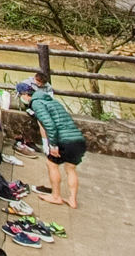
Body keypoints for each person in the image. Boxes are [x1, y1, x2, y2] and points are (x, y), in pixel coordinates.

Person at [17, 80, 85, 209]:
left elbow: (49, 125)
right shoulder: (52, 101)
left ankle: (56, 196)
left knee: (51, 164)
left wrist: (53, 145)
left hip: (63, 140)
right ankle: (72, 200)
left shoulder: (36, 103)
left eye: (21, 95)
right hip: (78, 139)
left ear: (25, 94)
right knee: (70, 168)